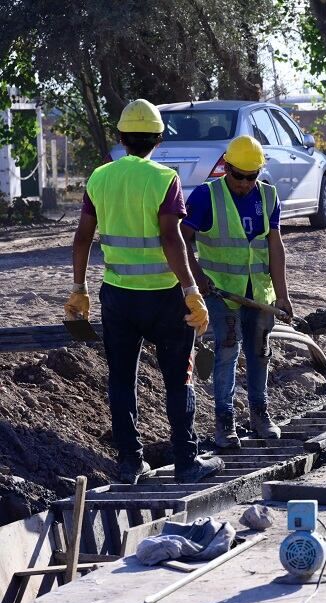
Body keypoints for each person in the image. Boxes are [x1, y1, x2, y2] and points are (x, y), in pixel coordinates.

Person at [66, 99, 224, 485]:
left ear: (120, 137)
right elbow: (172, 238)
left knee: (121, 380)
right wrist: (191, 289)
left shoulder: (99, 178)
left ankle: (130, 462)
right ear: (158, 139)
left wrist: (79, 288)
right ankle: (187, 463)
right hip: (165, 298)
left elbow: (83, 237)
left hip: (117, 296)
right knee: (179, 378)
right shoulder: (164, 178)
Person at [181, 135, 292, 448]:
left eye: (251, 176)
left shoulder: (268, 197)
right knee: (227, 351)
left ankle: (260, 414)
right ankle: (224, 422)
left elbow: (275, 245)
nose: (245, 183)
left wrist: (282, 294)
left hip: (258, 293)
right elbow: (181, 239)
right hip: (220, 292)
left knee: (259, 352)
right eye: (238, 175)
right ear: (226, 167)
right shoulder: (206, 196)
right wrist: (197, 277)